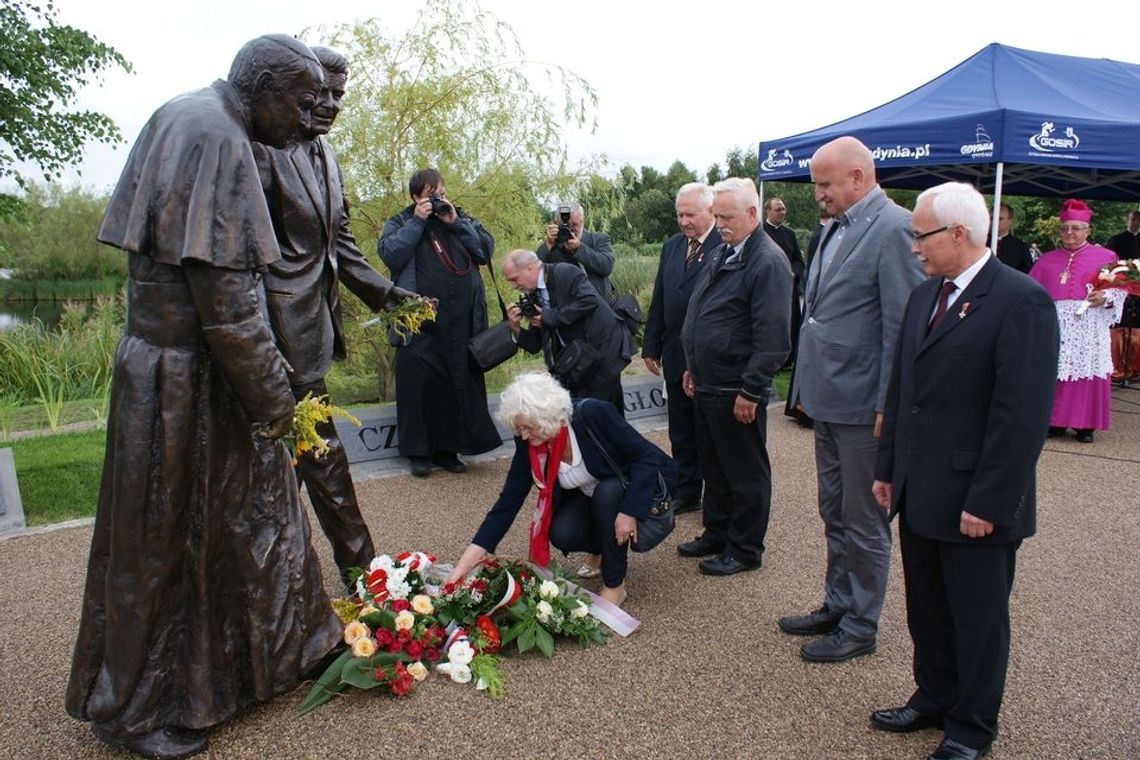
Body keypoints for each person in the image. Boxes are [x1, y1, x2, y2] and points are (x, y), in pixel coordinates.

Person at [66, 36, 341, 760]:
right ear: (265, 88)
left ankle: (285, 652)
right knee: (167, 542)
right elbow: (228, 304)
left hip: (193, 372)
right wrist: (279, 404)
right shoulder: (214, 136)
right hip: (181, 380)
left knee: (250, 524)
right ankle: (137, 709)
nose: (310, 118)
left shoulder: (193, 117)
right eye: (303, 102)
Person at [871, 182, 1059, 760]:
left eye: (920, 236)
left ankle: (972, 727)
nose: (913, 248)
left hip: (976, 500)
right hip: (920, 489)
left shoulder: (1021, 301)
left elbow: (1020, 417)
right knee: (927, 609)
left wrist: (989, 501)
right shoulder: (925, 296)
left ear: (958, 233)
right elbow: (904, 391)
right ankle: (934, 696)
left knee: (977, 620)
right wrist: (887, 468)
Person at [255, 46, 420, 577]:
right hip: (270, 343)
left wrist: (388, 296)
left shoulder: (325, 156)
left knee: (316, 458)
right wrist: (261, 343)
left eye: (338, 95)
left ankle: (358, 572)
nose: (329, 105)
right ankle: (335, 576)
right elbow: (245, 258)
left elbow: (340, 244)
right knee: (293, 464)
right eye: (320, 93)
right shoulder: (261, 151)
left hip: (309, 334)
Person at [780, 136, 925, 663]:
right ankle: (839, 604)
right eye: (815, 184)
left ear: (859, 177)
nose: (817, 193)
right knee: (834, 509)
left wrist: (889, 404)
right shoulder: (833, 228)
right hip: (828, 398)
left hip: (865, 406)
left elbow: (901, 328)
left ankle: (861, 623)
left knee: (864, 521)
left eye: (825, 183)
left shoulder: (894, 228)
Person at [447, 372, 676, 606]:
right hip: (590, 496)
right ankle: (601, 548)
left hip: (628, 491)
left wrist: (629, 511)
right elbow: (508, 502)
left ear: (548, 416)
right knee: (562, 532)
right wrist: (463, 567)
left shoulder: (594, 414)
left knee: (608, 493)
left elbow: (645, 457)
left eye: (527, 427)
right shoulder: (529, 441)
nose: (523, 435)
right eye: (519, 429)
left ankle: (615, 584)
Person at [677, 178, 793, 576]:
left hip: (735, 387)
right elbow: (706, 313)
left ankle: (744, 548)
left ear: (752, 213)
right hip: (709, 382)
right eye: (717, 216)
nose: (720, 224)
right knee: (715, 466)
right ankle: (717, 532)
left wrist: (752, 390)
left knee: (744, 471)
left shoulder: (767, 261)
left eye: (727, 217)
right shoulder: (725, 251)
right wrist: (693, 364)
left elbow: (773, 338)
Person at [379, 168, 502, 476]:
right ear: (415, 197)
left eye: (441, 193)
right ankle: (418, 453)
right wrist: (418, 221)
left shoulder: (459, 217)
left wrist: (456, 222)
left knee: (454, 382)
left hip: (459, 322)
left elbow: (485, 251)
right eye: (430, 195)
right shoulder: (401, 221)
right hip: (418, 322)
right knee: (417, 386)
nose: (437, 200)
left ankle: (449, 451)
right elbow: (390, 255)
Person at [642, 182, 720, 515]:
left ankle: (716, 501)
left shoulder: (723, 245)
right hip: (675, 354)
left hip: (706, 359)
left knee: (709, 435)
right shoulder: (672, 246)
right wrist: (651, 343)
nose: (684, 221)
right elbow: (661, 297)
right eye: (679, 215)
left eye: (690, 215)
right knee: (681, 431)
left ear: (711, 211)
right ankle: (687, 492)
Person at [1027, 199, 1123, 443]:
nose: (1069, 233)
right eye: (1065, 228)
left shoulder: (1106, 256)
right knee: (1055, 370)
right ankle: (1055, 422)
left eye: (1076, 228)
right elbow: (1030, 292)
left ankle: (1085, 425)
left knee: (1086, 370)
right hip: (1056, 325)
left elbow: (1120, 290)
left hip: (1090, 325)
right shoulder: (1046, 260)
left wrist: (1106, 297)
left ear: (1087, 231)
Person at [502, 249, 631, 413]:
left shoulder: (565, 272)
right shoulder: (533, 295)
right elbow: (535, 344)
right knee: (588, 415)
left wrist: (549, 316)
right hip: (578, 362)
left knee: (602, 414)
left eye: (514, 279)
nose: (514, 286)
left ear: (530, 267)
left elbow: (589, 300)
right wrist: (515, 328)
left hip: (603, 351)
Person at [536, 202, 615, 300]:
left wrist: (579, 248)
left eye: (574, 224)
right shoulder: (553, 246)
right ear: (556, 224)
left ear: (582, 221)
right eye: (565, 225)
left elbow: (606, 266)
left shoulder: (598, 239)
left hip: (598, 303)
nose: (571, 229)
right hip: (565, 306)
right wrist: (548, 244)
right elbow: (532, 272)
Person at [762, 196, 806, 367]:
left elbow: (798, 260)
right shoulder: (760, 233)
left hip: (789, 288)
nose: (782, 212)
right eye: (778, 209)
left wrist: (793, 273)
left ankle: (789, 359)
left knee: (790, 322)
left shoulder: (789, 234)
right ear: (768, 211)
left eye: (783, 209)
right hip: (768, 289)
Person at [995, 203, 1034, 274]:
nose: (995, 222)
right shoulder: (979, 243)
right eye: (992, 218)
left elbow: (1027, 273)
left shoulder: (1020, 247)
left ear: (1010, 221)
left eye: (1000, 219)